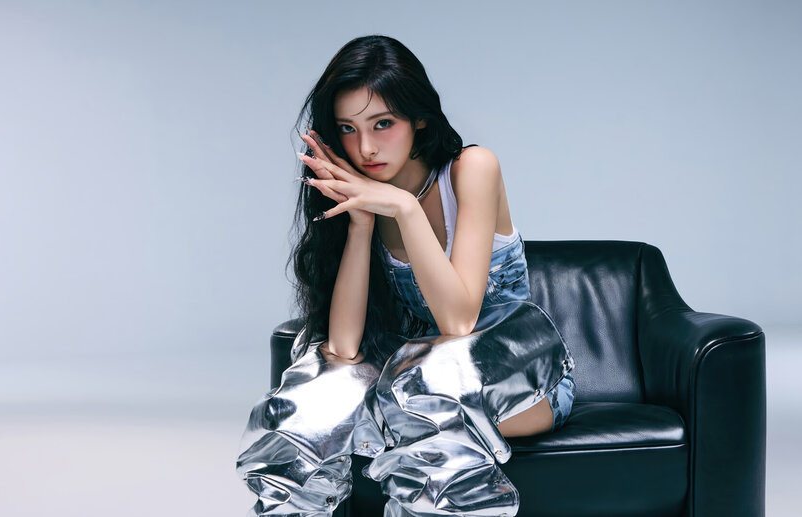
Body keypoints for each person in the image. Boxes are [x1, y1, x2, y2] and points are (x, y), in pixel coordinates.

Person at [237, 34, 576, 517]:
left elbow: (459, 322)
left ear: (419, 118)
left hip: (520, 379)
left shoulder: (471, 169)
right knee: (311, 396)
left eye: (383, 124)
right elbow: (344, 346)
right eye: (348, 129)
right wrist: (361, 223)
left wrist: (403, 207)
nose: (366, 147)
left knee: (426, 398)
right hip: (408, 387)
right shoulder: (363, 195)